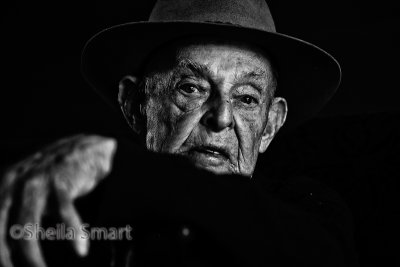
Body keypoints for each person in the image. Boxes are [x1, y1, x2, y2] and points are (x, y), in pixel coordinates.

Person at [0, 0, 358, 266]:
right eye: (191, 88)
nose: (220, 118)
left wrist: (123, 165)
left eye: (247, 98)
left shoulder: (304, 210)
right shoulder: (66, 209)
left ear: (270, 125)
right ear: (135, 105)